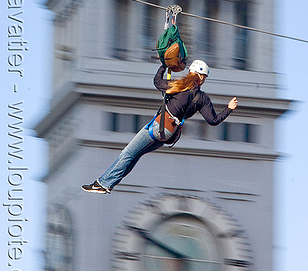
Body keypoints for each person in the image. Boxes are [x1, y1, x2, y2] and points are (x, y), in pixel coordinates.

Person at [82, 60, 238, 194]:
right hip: (169, 134)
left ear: (191, 72)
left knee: (128, 152)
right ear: (202, 78)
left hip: (159, 126)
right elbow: (213, 120)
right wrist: (228, 109)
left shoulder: (179, 85)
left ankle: (103, 184)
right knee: (134, 155)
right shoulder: (202, 98)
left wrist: (164, 66)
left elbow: (157, 81)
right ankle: (108, 184)